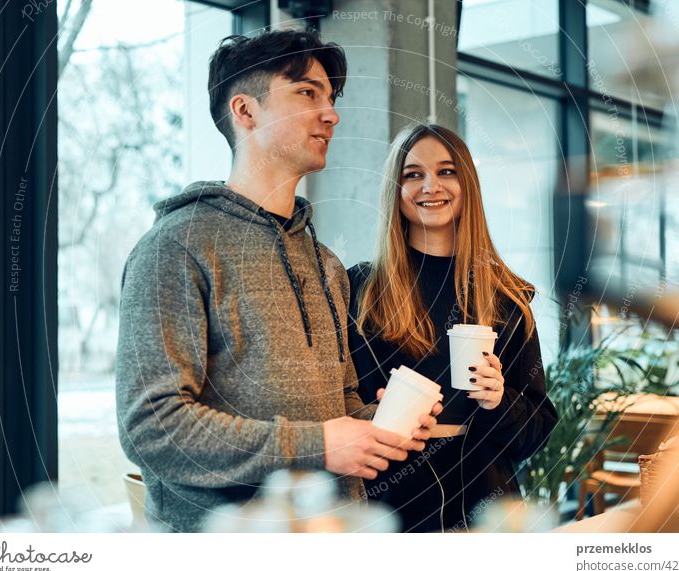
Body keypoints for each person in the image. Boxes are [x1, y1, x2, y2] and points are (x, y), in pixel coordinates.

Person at [115, 31, 438, 533]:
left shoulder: (325, 263)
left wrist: (377, 425)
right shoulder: (175, 248)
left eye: (331, 99)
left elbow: (340, 400)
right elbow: (153, 428)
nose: (331, 113)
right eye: (308, 93)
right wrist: (321, 444)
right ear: (245, 111)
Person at [348, 123, 558, 533]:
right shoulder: (360, 289)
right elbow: (334, 405)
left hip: (485, 510)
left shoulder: (507, 299)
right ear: (396, 188)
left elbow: (534, 434)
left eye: (447, 172)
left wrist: (499, 401)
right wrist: (370, 412)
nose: (431, 186)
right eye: (413, 174)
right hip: (388, 509)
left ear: (467, 184)